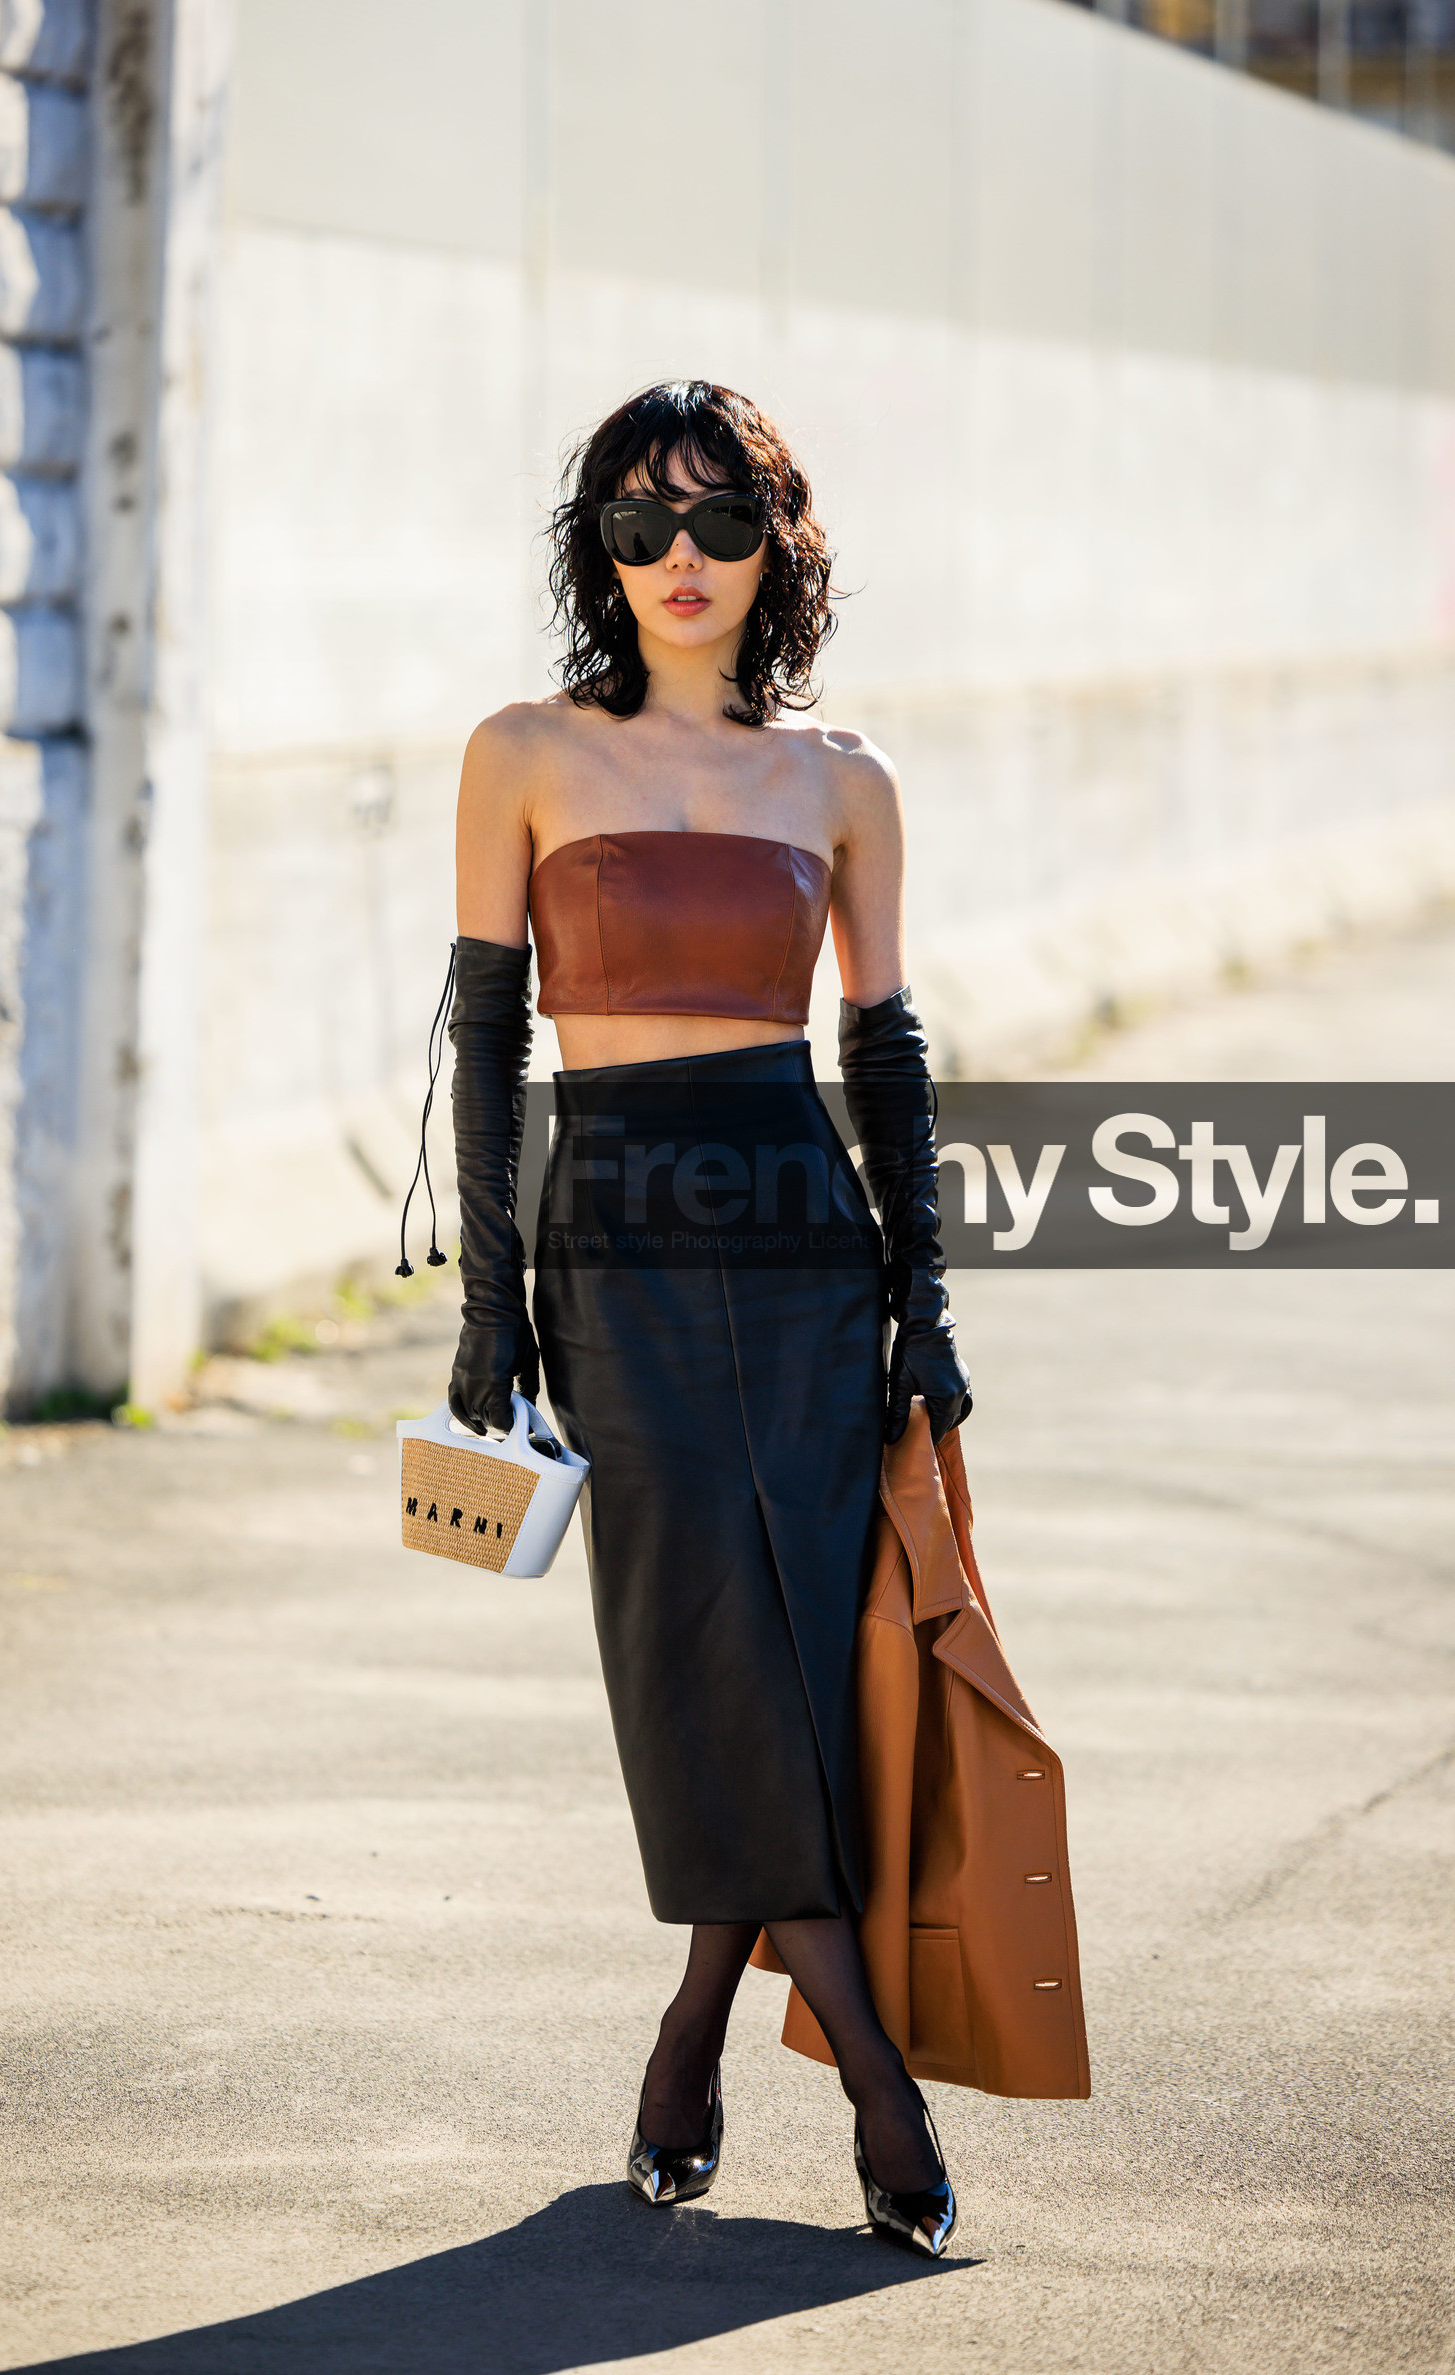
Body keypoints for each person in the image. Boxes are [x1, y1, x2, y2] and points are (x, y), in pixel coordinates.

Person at [444, 378, 971, 2255]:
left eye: (721, 519)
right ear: (599, 545)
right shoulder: (521, 751)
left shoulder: (845, 778)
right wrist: (490, 1301)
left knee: (797, 1647)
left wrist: (924, 1301)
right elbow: (484, 1042)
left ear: (777, 548)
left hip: (804, 1239)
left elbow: (885, 1050)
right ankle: (873, 2073)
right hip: (615, 1240)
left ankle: (695, 2030)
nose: (682, 555)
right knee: (695, 1635)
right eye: (643, 520)